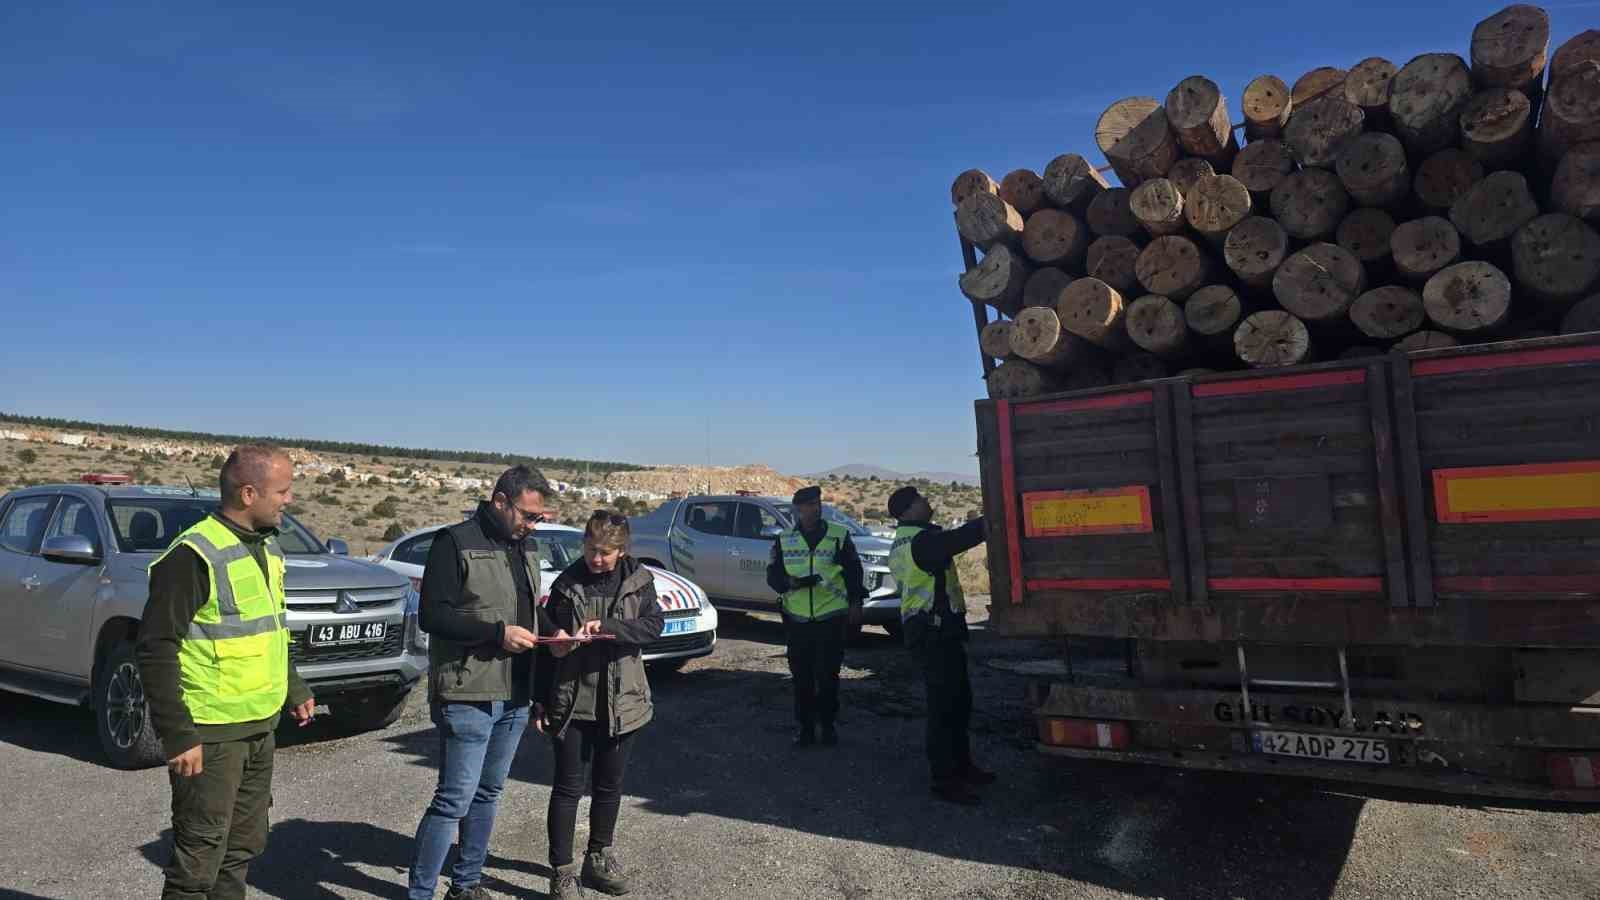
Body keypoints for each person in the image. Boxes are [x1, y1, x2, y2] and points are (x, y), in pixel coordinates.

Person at [138, 444, 315, 900]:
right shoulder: (193, 555)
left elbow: (271, 627)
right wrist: (178, 734)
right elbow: (156, 648)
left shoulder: (268, 549)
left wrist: (294, 687)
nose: (289, 500)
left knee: (242, 849)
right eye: (283, 490)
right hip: (211, 733)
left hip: (259, 726)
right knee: (198, 862)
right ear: (249, 493)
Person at [408, 465, 564, 900]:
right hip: (468, 693)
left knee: (487, 794)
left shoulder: (525, 547)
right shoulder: (453, 543)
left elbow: (529, 613)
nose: (532, 525)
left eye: (538, 518)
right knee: (454, 798)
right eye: (527, 515)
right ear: (500, 502)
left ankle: (466, 885)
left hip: (514, 693)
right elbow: (434, 616)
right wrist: (497, 634)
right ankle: (419, 893)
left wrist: (560, 635)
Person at [538, 510, 665, 898]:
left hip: (622, 703)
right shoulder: (566, 583)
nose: (597, 558)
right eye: (592, 549)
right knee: (567, 789)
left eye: (606, 552)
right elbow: (545, 641)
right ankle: (561, 873)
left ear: (622, 549)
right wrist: (540, 700)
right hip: (573, 701)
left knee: (609, 787)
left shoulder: (640, 581)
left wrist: (609, 628)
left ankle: (598, 858)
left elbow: (652, 626)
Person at [885, 485, 995, 806]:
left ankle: (962, 766)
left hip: (938, 632)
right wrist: (994, 519)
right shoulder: (920, 542)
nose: (927, 501)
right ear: (906, 511)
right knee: (944, 707)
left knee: (959, 700)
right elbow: (959, 540)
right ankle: (944, 779)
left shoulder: (914, 539)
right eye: (920, 499)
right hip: (931, 634)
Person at [765, 486, 866, 747]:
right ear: (799, 509)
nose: (816, 508)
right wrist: (788, 583)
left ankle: (828, 725)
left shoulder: (838, 535)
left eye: (818, 504)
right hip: (796, 618)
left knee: (828, 675)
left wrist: (856, 603)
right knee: (801, 677)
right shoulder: (784, 538)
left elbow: (854, 572)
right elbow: (773, 575)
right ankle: (806, 728)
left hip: (830, 617)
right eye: (810, 505)